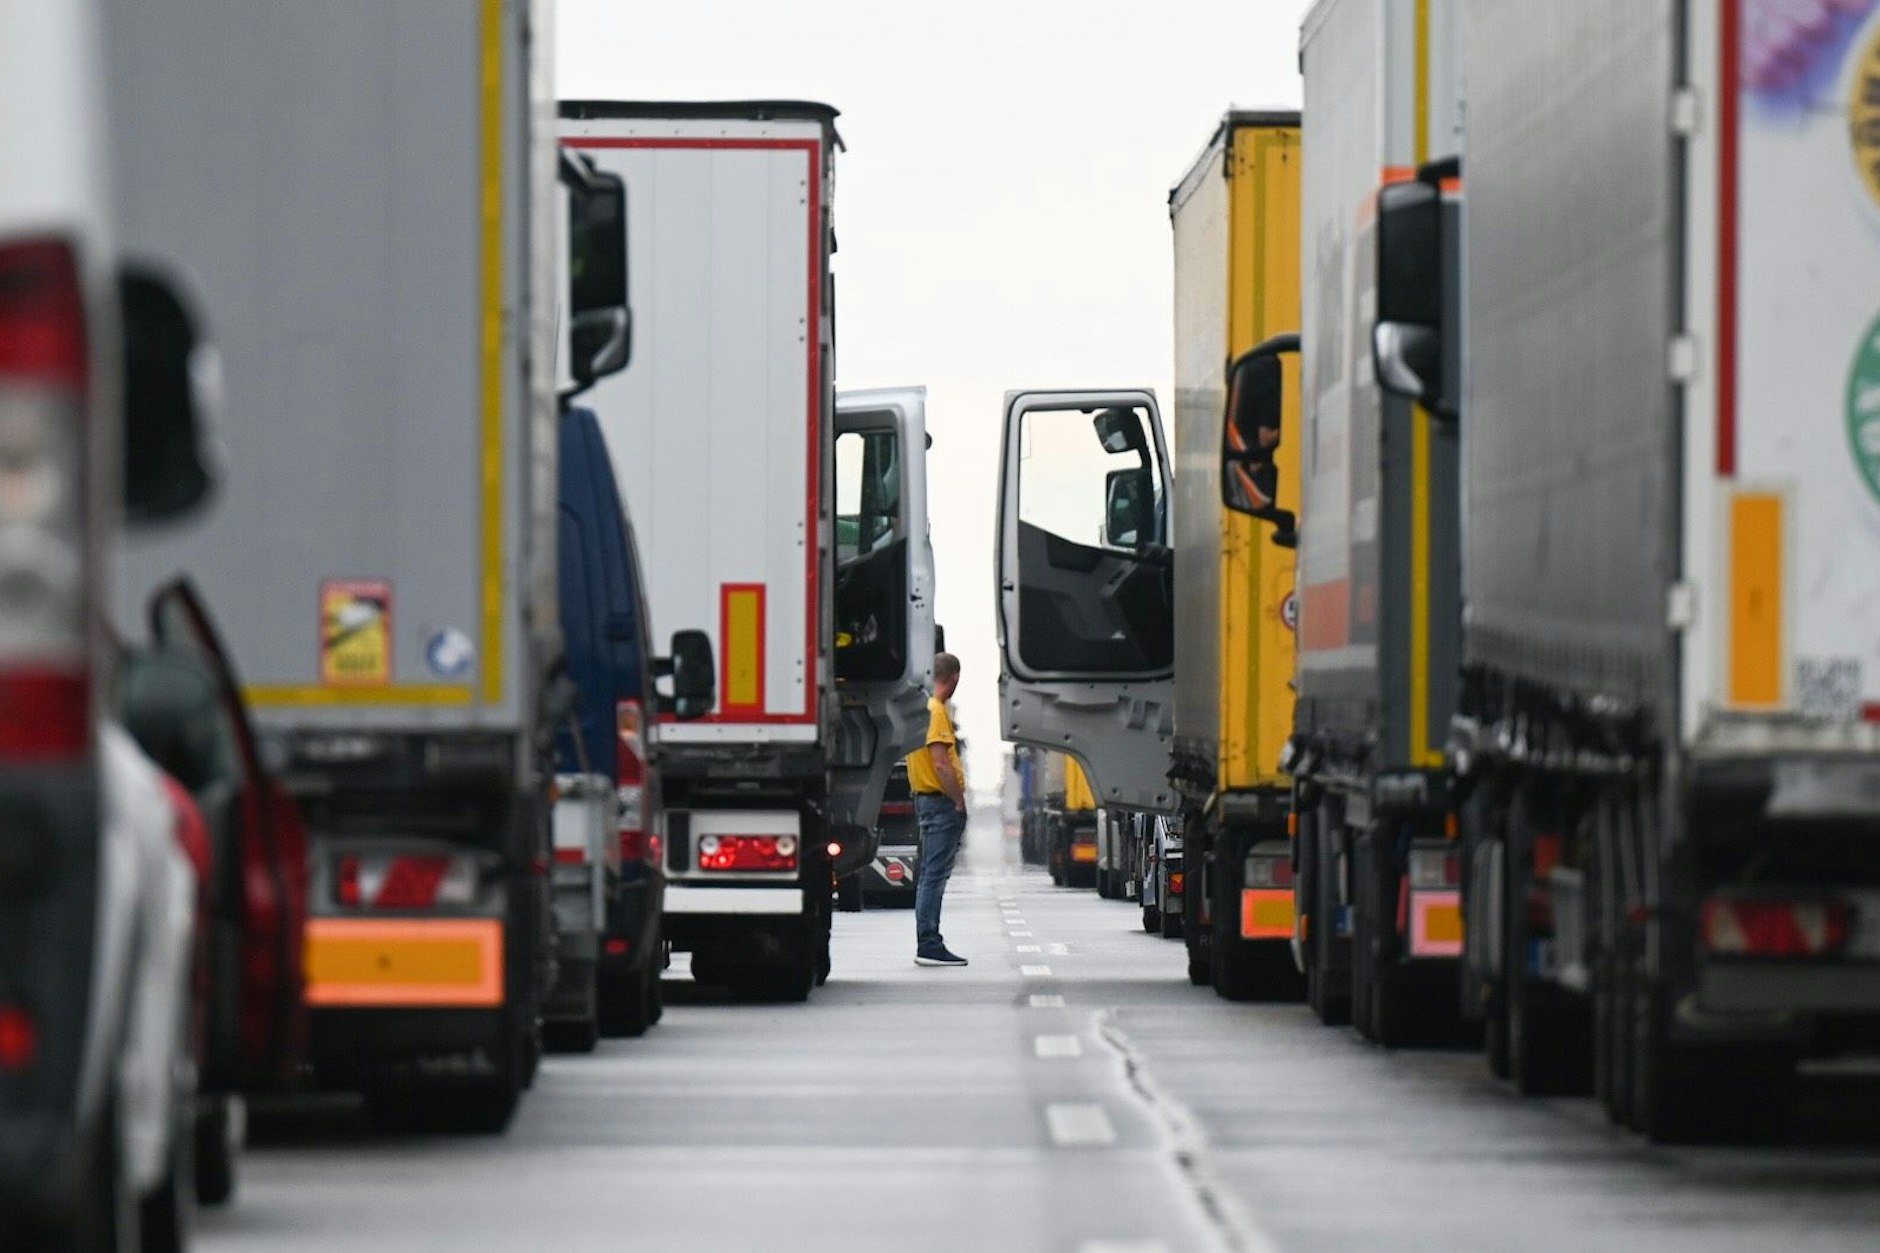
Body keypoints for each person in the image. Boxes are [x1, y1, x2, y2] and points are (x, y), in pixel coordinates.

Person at [908, 652, 968, 966]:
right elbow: (941, 764)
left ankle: (928, 941)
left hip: (924, 798)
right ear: (955, 678)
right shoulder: (936, 710)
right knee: (934, 875)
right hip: (939, 801)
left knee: (930, 874)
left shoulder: (920, 709)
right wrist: (958, 800)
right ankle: (929, 943)